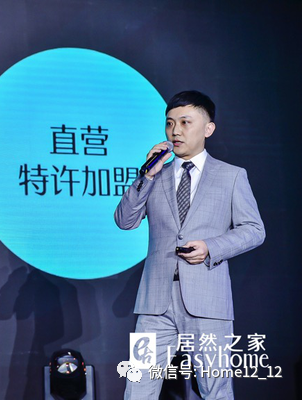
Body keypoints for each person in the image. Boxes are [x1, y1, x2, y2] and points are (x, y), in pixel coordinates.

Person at [115, 90, 265, 399]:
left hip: (207, 300)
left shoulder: (231, 176)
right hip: (155, 304)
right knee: (137, 388)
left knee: (215, 390)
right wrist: (146, 176)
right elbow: (125, 220)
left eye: (185, 122)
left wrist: (211, 247)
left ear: (208, 128)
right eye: (170, 123)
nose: (175, 131)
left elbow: (254, 230)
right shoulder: (155, 176)